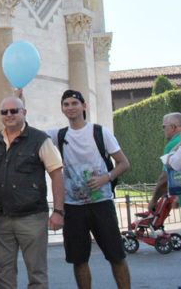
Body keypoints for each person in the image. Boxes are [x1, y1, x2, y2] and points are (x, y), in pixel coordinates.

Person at [0, 96, 64, 289]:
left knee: (36, 273)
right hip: (2, 219)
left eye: (14, 111)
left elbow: (57, 175)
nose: (9, 115)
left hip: (33, 218)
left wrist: (59, 211)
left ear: (24, 113)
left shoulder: (40, 139)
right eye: (5, 112)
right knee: (3, 274)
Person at [46, 90, 131, 289]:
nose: (70, 107)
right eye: (66, 104)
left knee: (116, 256)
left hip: (101, 203)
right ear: (62, 109)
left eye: (74, 103)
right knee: (79, 259)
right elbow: (28, 131)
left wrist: (105, 178)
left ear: (84, 106)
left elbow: (124, 163)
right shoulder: (59, 135)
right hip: (73, 207)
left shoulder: (100, 132)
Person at [149, 112, 181, 211]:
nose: (163, 130)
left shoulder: (174, 144)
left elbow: (165, 177)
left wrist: (154, 200)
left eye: (164, 126)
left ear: (172, 127)